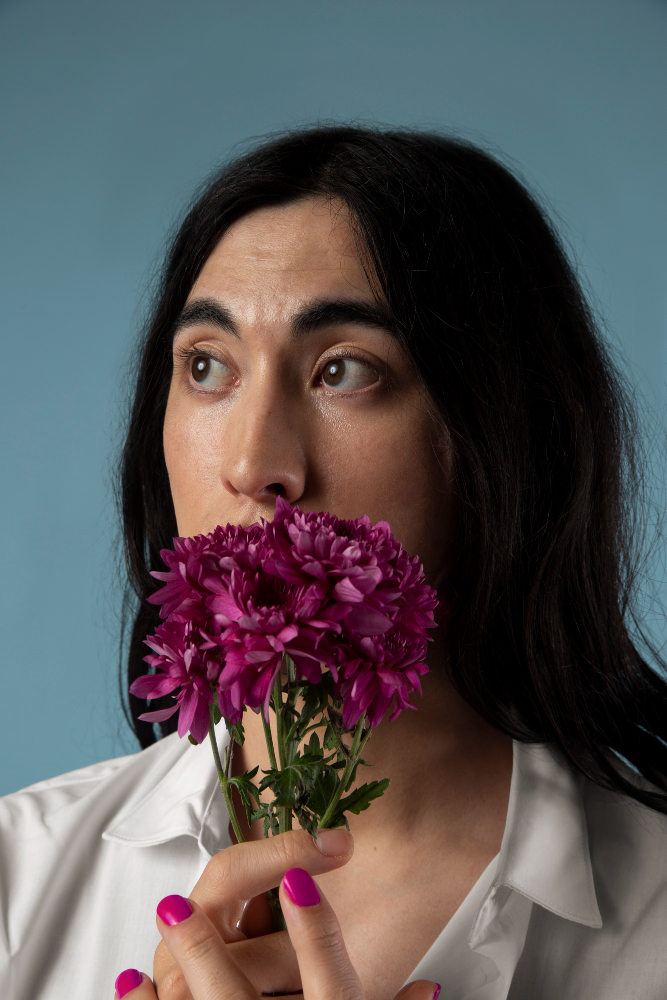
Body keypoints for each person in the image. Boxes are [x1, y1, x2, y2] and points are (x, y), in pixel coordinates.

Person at [2, 125, 667, 1000]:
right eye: (207, 366)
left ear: (500, 436)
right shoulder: (19, 878)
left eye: (342, 370)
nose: (254, 465)